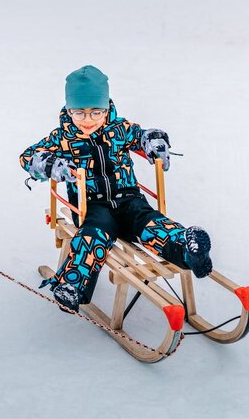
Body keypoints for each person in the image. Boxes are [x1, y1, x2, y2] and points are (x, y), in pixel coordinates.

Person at [20, 65, 212, 312]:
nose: (87, 120)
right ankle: (72, 285)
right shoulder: (62, 138)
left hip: (129, 199)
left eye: (96, 112)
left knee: (150, 223)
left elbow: (142, 136)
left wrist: (154, 141)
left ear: (107, 107)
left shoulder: (119, 129)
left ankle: (188, 249)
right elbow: (28, 157)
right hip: (91, 206)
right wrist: (52, 164)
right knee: (93, 236)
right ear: (69, 110)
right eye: (79, 113)